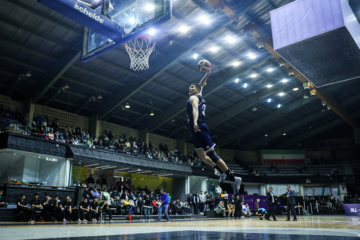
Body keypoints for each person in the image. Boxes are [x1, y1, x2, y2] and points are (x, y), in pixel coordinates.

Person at [186, 72, 242, 194]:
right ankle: (221, 172)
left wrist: (195, 122)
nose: (189, 88)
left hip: (199, 127)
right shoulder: (199, 94)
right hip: (194, 130)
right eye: (189, 86)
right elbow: (202, 85)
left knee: (212, 155)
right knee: (202, 157)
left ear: (196, 90)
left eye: (192, 87)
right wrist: (207, 73)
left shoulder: (194, 98)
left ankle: (233, 179)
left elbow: (195, 108)